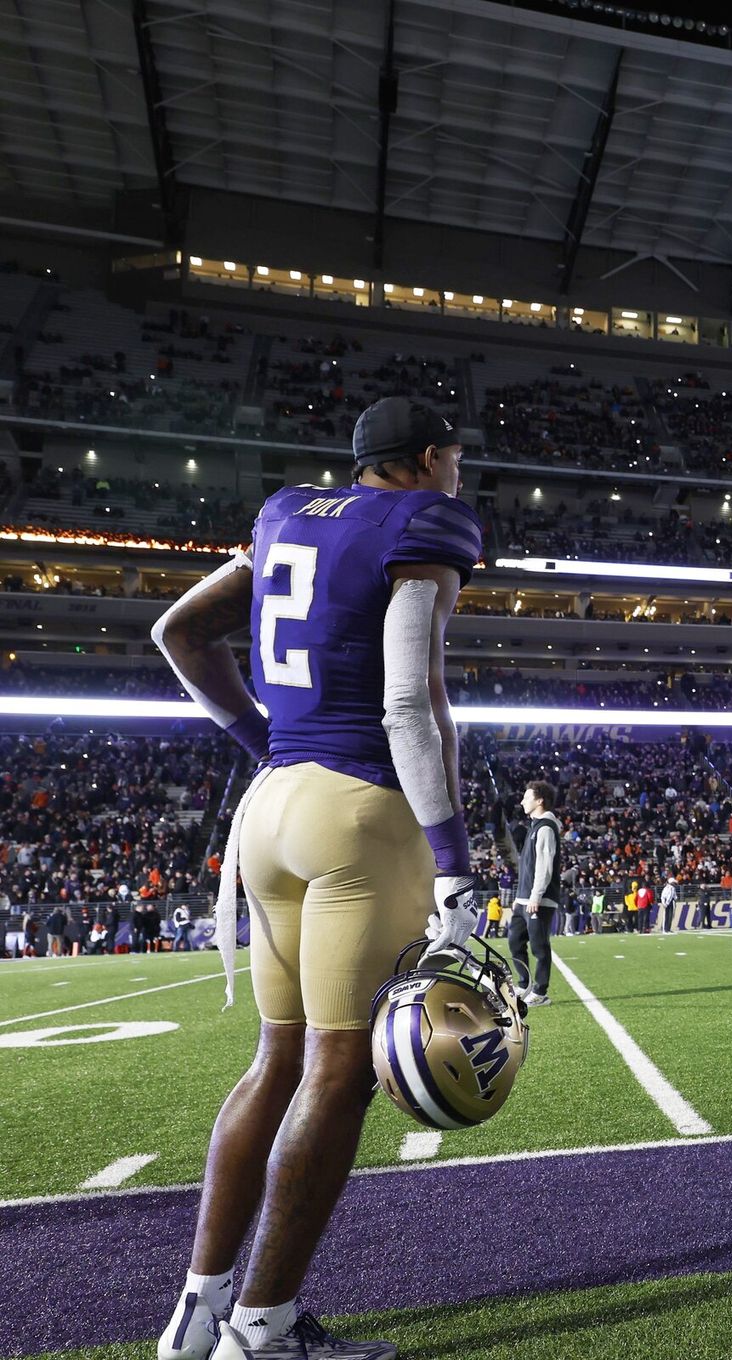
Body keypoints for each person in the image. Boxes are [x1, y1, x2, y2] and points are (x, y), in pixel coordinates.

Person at [149, 396, 485, 1360]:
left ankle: (198, 1311)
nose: (458, 475)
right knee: (340, 1075)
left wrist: (269, 744)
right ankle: (263, 1328)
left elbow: (179, 633)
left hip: (274, 810)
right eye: (453, 458)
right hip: (362, 813)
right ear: (425, 459)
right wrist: (455, 863)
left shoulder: (286, 513)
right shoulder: (427, 522)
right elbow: (409, 702)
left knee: (278, 1059)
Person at [507, 781, 562, 1007]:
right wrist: (519, 898)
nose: (522, 801)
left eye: (526, 797)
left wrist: (535, 896)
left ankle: (540, 992)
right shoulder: (535, 826)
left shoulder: (546, 827)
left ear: (539, 801)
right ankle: (524, 984)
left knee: (539, 946)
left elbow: (545, 866)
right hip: (524, 899)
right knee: (514, 941)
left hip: (538, 900)